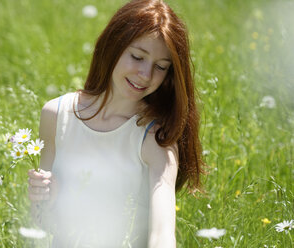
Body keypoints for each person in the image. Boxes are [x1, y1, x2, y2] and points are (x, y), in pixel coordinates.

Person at [28, 0, 204, 247]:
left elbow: (162, 235)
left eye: (160, 67)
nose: (145, 75)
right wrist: (47, 201)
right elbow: (44, 224)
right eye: (137, 57)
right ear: (113, 47)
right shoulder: (56, 116)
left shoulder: (155, 138)